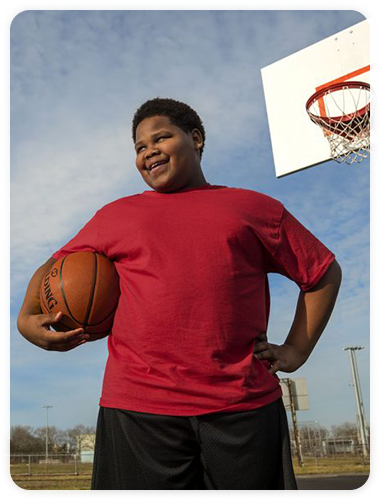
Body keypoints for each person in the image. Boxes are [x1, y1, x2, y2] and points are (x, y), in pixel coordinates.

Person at [18, 97, 342, 498]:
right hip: (138, 407)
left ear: (196, 138)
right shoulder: (115, 216)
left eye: (161, 137)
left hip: (241, 406)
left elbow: (322, 271)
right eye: (139, 147)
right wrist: (26, 317)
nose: (148, 150)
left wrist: (296, 349)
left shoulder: (252, 209)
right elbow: (54, 264)